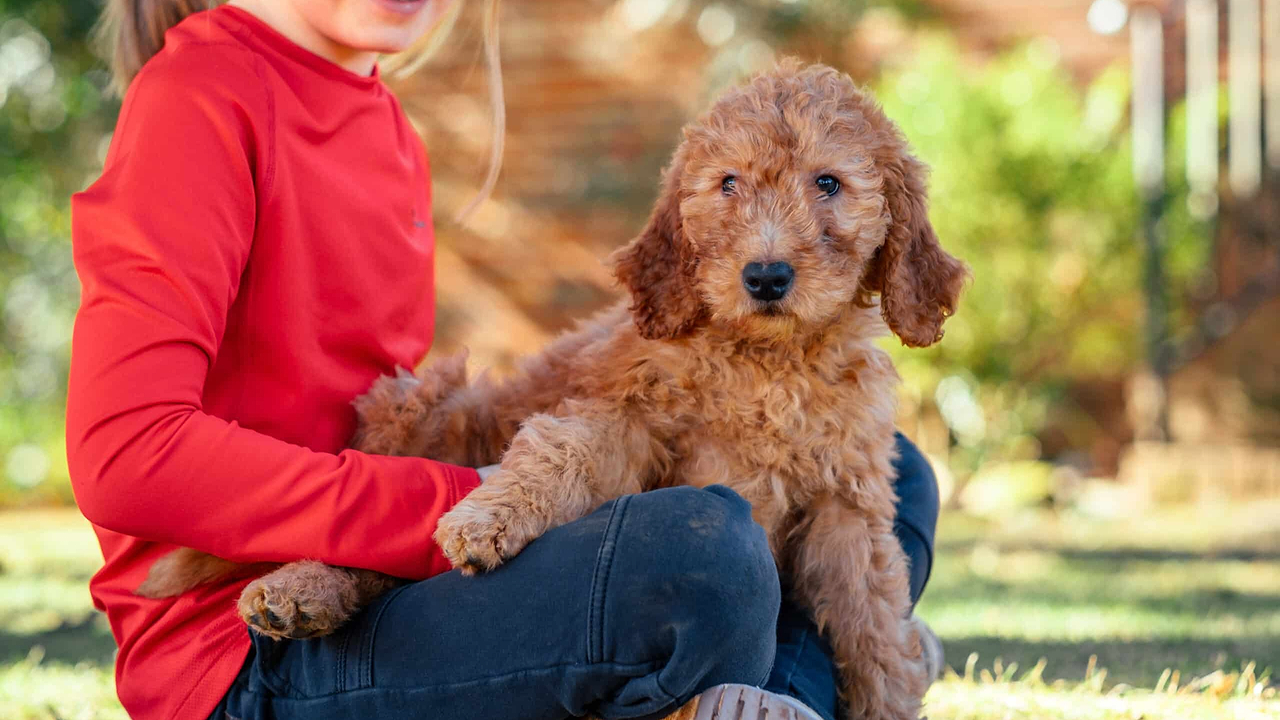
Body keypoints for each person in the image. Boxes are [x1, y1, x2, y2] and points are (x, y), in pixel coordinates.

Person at [64, 1, 943, 718]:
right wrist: (463, 496)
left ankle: (777, 699)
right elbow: (126, 457)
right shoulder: (198, 95)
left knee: (892, 478)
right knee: (703, 553)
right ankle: (794, 682)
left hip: (397, 582)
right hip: (250, 656)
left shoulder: (386, 125)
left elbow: (378, 416)